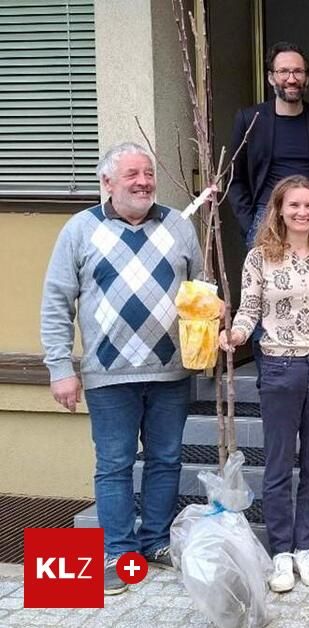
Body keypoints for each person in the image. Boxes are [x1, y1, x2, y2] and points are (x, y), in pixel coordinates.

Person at [40, 142, 202, 595]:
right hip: (108, 374)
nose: (144, 181)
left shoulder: (178, 226)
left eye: (148, 173)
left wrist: (209, 326)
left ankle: (154, 542)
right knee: (113, 464)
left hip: (171, 369)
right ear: (107, 183)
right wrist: (60, 368)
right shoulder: (80, 229)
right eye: (132, 174)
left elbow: (198, 291)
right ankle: (118, 552)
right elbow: (56, 302)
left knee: (166, 460)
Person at [219, 175, 309, 593]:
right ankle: (280, 553)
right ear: (279, 209)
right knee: (277, 466)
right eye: (294, 206)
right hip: (279, 367)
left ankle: (307, 547)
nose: (302, 213)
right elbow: (249, 308)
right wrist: (235, 336)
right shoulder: (259, 257)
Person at [229, 41, 309, 246]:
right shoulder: (250, 120)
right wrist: (249, 223)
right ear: (271, 77)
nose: (291, 79)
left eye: (298, 72)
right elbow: (235, 178)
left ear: (307, 78)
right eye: (283, 71)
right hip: (266, 218)